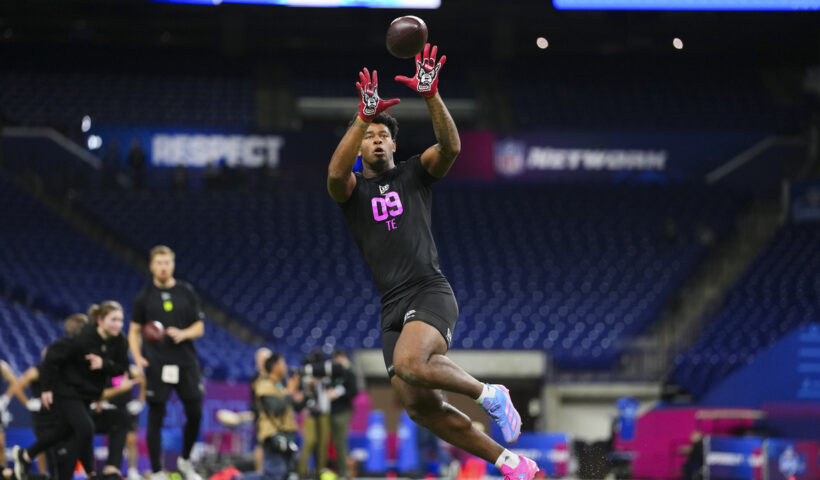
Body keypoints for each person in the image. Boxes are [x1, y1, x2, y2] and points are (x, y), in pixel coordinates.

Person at [325, 44, 538, 480]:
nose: (378, 139)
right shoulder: (350, 192)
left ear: (395, 144)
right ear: (359, 147)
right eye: (370, 135)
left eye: (384, 134)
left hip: (428, 290)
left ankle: (489, 393)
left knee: (409, 364)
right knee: (421, 408)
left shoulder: (412, 174)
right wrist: (362, 116)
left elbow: (452, 147)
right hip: (391, 308)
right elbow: (333, 174)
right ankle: (510, 462)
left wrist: (430, 93)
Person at [13, 302, 129, 480]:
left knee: (115, 421)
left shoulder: (119, 340)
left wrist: (104, 364)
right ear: (100, 320)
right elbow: (52, 354)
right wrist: (46, 388)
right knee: (85, 427)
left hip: (87, 395)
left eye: (121, 320)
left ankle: (26, 455)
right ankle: (91, 473)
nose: (118, 324)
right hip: (67, 391)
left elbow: (122, 368)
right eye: (113, 319)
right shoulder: (84, 337)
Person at [129, 245, 205, 480]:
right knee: (155, 416)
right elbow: (133, 331)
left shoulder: (186, 291)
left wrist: (184, 333)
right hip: (156, 363)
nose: (163, 267)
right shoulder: (144, 296)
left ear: (172, 265)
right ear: (152, 266)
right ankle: (157, 471)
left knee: (195, 412)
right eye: (159, 263)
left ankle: (184, 461)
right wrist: (138, 357)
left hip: (185, 362)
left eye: (167, 262)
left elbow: (200, 326)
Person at [246, 353, 302, 480]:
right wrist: (289, 391)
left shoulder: (279, 385)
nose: (285, 366)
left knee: (286, 473)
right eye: (282, 363)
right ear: (274, 366)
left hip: (287, 434)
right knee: (274, 474)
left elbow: (297, 407)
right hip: (273, 435)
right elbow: (275, 408)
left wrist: (308, 392)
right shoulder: (264, 384)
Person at [296, 350, 331, 479]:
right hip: (309, 412)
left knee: (323, 443)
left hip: (323, 412)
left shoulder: (326, 375)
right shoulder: (305, 375)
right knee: (310, 441)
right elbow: (300, 393)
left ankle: (319, 471)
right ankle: (302, 472)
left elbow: (330, 388)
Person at [328, 349, 357, 479]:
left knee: (340, 442)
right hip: (329, 411)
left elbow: (353, 391)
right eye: (336, 358)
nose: (339, 360)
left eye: (341, 357)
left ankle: (345, 473)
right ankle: (336, 471)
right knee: (331, 443)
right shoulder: (330, 373)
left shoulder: (349, 372)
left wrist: (339, 393)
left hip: (343, 411)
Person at [1, 359, 28, 468]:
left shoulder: (2, 366)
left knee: (0, 445)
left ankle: (3, 474)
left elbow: (14, 380)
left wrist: (5, 399)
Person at [251, 348, 273, 474]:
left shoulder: (275, 377)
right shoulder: (256, 378)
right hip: (261, 417)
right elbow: (254, 398)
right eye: (261, 359)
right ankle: (259, 473)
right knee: (260, 445)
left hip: (275, 417)